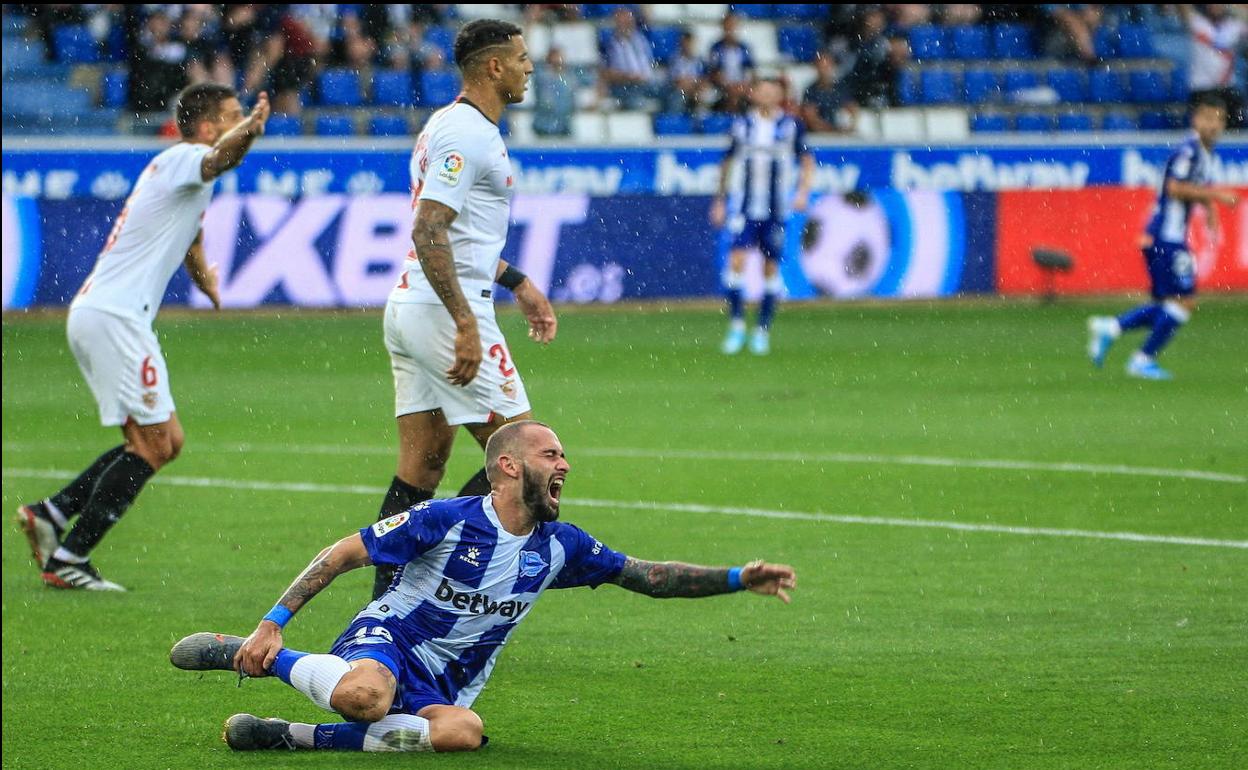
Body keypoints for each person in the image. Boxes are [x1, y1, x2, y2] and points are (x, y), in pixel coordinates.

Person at [169, 420, 797, 753]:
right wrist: (273, 621)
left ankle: (290, 736)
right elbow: (342, 555)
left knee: (461, 733)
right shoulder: (447, 519)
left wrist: (741, 577)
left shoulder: (563, 545)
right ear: (508, 466)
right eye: (551, 454)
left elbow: (652, 578)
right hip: (389, 642)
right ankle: (260, 657)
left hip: (449, 683)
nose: (565, 466)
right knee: (365, 694)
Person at [15, 84, 271, 591]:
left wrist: (208, 283)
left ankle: (53, 512)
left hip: (112, 316)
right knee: (154, 444)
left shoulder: (186, 174)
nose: (241, 122)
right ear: (205, 127)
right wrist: (254, 127)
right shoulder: (188, 156)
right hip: (115, 318)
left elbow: (192, 240)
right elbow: (222, 156)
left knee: (164, 441)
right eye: (232, 115)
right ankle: (70, 557)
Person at [370, 19, 558, 600]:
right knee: (528, 460)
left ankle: (388, 601)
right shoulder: (466, 135)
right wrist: (463, 323)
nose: (531, 67)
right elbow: (429, 230)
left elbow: (461, 236)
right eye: (522, 58)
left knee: (421, 469)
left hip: (412, 306)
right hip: (441, 312)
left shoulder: (450, 127)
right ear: (494, 67)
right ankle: (445, 582)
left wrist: (517, 281)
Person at [1087, 94, 1239, 380]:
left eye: (1219, 119)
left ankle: (1112, 328)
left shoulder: (1205, 154)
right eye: (1207, 118)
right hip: (1164, 236)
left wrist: (1210, 209)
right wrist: (1216, 196)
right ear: (1195, 120)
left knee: (1170, 303)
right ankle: (1141, 358)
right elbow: (1174, 188)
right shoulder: (1189, 151)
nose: (1213, 125)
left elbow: (1195, 186)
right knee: (1184, 301)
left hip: (1167, 237)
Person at [709, 78, 815, 356]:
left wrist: (803, 192)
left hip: (776, 209)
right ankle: (736, 325)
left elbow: (806, 160)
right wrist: (720, 200)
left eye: (773, 91)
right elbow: (727, 161)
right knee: (736, 263)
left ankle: (762, 330)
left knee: (770, 269)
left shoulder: (791, 126)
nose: (767, 95)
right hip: (744, 208)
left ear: (780, 95)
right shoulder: (742, 126)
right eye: (763, 91)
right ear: (754, 94)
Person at [707, 14, 754, 114]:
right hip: (722, 85)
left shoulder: (744, 48)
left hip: (741, 85)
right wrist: (727, 84)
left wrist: (743, 85)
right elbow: (714, 72)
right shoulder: (716, 48)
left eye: (733, 26)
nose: (730, 30)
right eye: (728, 27)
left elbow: (750, 71)